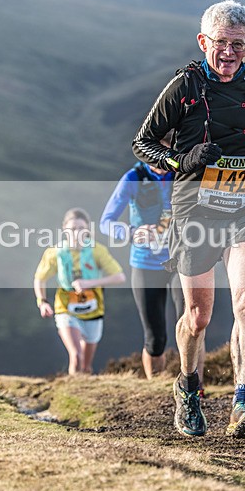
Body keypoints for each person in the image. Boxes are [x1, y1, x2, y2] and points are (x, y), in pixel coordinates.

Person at [132, 0, 245, 439]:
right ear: (204, 42)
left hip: (244, 208)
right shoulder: (184, 86)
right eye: (221, 43)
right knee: (198, 317)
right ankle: (188, 387)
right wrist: (181, 160)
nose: (229, 52)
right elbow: (143, 142)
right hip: (195, 210)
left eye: (238, 44)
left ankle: (243, 401)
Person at [99, 151, 206, 383]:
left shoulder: (184, 173)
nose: (161, 161)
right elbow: (105, 222)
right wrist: (130, 232)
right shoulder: (133, 178)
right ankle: (155, 386)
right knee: (155, 339)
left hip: (181, 261)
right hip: (145, 264)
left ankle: (195, 387)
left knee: (193, 324)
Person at [34, 207, 126, 375]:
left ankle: (83, 388)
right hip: (65, 308)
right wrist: (42, 302)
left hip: (93, 308)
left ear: (88, 230)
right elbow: (40, 278)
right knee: (76, 356)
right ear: (64, 230)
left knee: (85, 365)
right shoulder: (55, 253)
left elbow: (119, 277)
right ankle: (72, 388)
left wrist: (90, 283)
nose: (77, 233)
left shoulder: (97, 250)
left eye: (81, 229)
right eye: (72, 229)